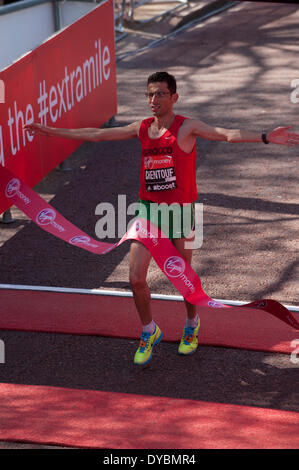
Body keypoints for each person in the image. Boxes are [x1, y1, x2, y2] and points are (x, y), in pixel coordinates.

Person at [24, 71, 299, 366]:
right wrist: (51, 132)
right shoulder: (142, 128)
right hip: (148, 211)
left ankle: (192, 325)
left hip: (180, 212)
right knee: (135, 277)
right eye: (150, 95)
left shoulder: (186, 127)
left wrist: (265, 137)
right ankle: (149, 330)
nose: (154, 100)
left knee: (184, 280)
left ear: (174, 97)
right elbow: (96, 134)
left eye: (160, 94)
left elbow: (226, 134)